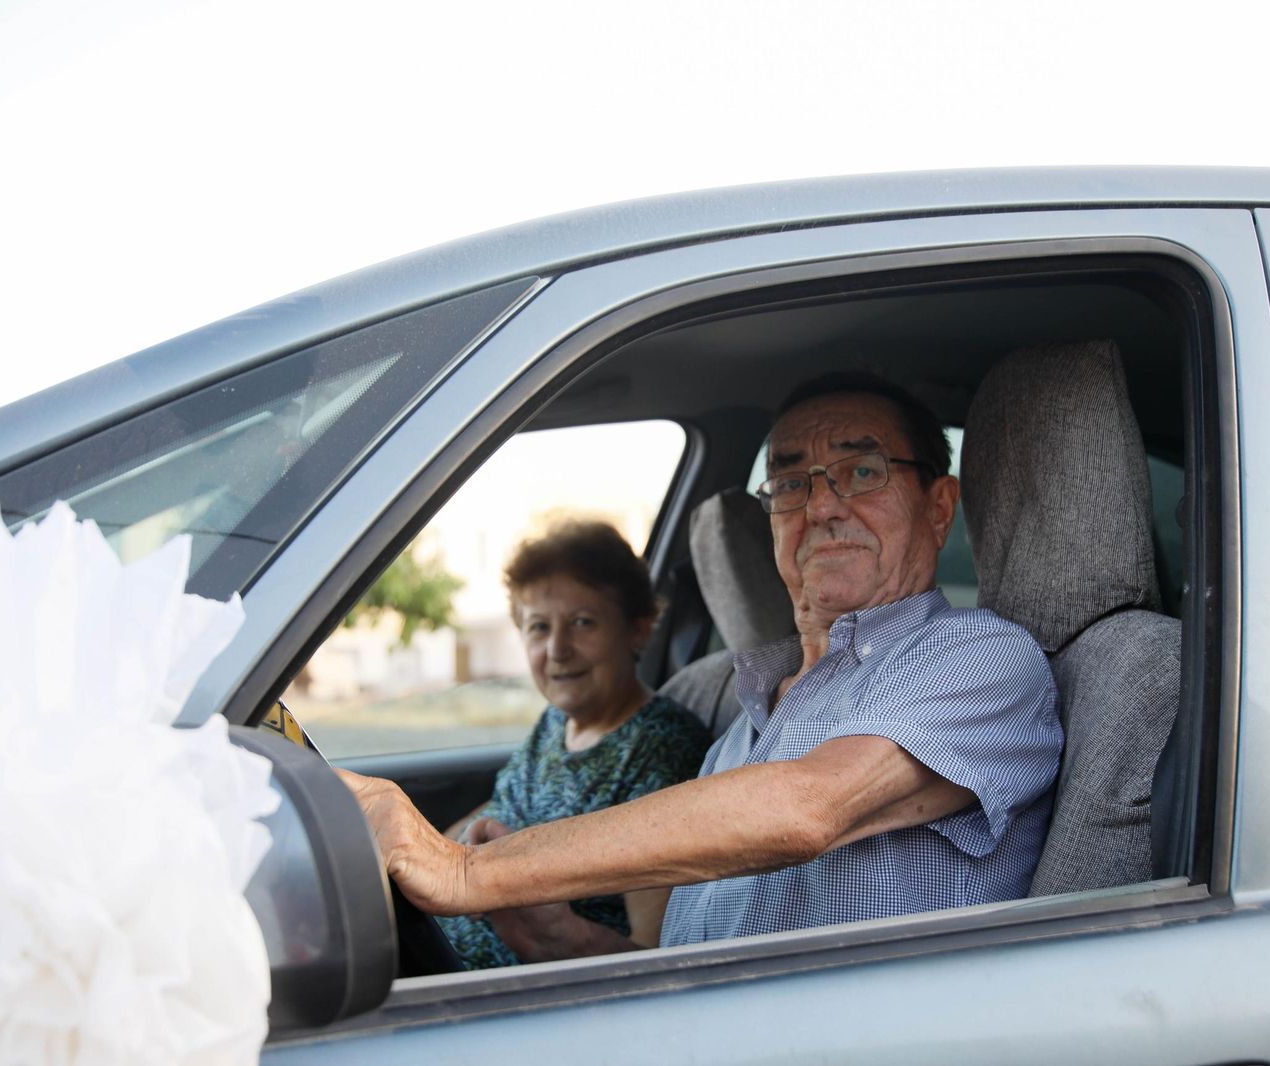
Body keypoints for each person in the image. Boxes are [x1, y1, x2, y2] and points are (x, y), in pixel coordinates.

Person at [341, 373, 1063, 953]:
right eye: (791, 482)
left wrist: (467, 873)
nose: (822, 505)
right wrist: (562, 941)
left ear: (939, 507)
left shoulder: (981, 658)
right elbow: (671, 975)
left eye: (862, 470)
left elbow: (807, 809)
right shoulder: (743, 727)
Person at [436, 521, 710, 967]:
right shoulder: (556, 724)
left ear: (638, 630)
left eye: (583, 623)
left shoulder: (661, 751)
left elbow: (652, 957)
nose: (558, 649)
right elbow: (495, 813)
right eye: (539, 628)